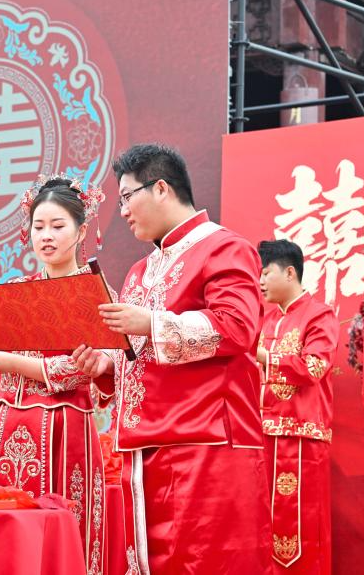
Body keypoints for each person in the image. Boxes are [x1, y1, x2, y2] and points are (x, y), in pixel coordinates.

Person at [75, 143, 272, 573]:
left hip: (206, 444)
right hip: (145, 452)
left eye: (127, 197)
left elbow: (238, 326)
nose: (123, 211)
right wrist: (107, 366)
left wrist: (150, 323)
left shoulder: (224, 247)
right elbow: (139, 353)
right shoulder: (138, 272)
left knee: (209, 563)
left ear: (161, 188)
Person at [0, 175, 113, 575]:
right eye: (38, 227)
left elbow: (84, 368)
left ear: (82, 230)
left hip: (64, 428)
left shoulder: (95, 293)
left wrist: (12, 364)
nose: (46, 236)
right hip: (8, 425)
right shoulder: (15, 289)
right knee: (6, 531)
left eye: (57, 225)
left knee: (62, 535)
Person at [257, 239, 338, 573]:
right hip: (262, 438)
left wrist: (264, 357)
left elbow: (314, 367)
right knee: (263, 523)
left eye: (266, 273)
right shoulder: (265, 321)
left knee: (302, 526)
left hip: (301, 439)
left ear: (290, 272)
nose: (260, 281)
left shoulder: (319, 315)